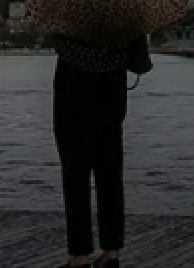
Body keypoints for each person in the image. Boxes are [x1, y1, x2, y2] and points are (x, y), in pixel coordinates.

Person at [51, 32, 130, 268]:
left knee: (75, 173)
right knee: (110, 173)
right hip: (112, 82)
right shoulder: (124, 0)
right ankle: (111, 253)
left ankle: (80, 255)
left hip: (74, 82)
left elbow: (57, 36)